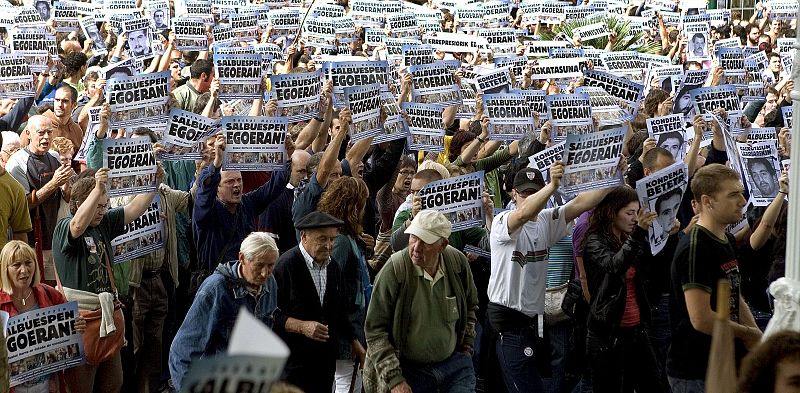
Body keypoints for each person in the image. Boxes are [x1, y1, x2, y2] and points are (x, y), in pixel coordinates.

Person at [488, 163, 610, 392]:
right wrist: (552, 186)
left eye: (535, 192)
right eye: (525, 193)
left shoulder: (546, 220)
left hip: (535, 322)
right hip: (508, 324)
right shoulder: (502, 221)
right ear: (514, 194)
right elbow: (523, 213)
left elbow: (582, 203)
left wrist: (613, 174)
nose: (530, 198)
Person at [52, 167, 158, 393]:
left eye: (105, 205)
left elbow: (134, 209)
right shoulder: (64, 226)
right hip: (80, 321)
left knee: (113, 383)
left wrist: (154, 181)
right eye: (97, 206)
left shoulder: (103, 224)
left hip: (106, 318)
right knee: (82, 387)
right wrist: (97, 188)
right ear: (79, 204)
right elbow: (78, 226)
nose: (102, 211)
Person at [668, 164, 763, 393]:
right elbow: (701, 318)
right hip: (697, 371)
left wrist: (755, 336)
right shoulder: (696, 246)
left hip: (727, 363)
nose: (742, 200)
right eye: (733, 195)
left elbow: (734, 294)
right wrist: (748, 334)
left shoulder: (726, 239)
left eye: (741, 192)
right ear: (708, 201)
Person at [363, 209, 479, 393]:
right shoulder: (395, 270)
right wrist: (395, 380)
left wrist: (467, 345)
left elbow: (471, 305)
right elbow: (375, 330)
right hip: (408, 370)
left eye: (425, 242)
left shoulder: (457, 263)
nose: (416, 247)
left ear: (443, 245)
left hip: (454, 366)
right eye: (413, 238)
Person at [169, 232, 281, 390]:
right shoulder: (215, 289)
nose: (265, 273)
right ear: (242, 258)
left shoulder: (270, 283)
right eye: (259, 265)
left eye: (271, 266)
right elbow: (182, 351)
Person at [582, 186, 667, 393]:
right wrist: (639, 234)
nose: (634, 219)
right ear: (612, 212)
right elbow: (614, 266)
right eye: (629, 213)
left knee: (654, 384)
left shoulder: (630, 238)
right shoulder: (594, 241)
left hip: (636, 329)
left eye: (636, 214)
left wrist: (666, 233)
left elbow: (654, 268)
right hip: (608, 334)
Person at [272, 211, 363, 393]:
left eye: (332, 239)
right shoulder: (285, 266)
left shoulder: (333, 267)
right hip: (292, 366)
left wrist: (354, 342)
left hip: (324, 364)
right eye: (322, 239)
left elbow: (339, 311)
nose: (329, 246)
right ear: (304, 236)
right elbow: (270, 314)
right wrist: (301, 326)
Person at [192, 133, 290, 276]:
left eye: (239, 180)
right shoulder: (206, 211)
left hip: (246, 279)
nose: (237, 185)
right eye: (229, 182)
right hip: (217, 282)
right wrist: (218, 161)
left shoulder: (248, 203)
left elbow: (275, 186)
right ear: (217, 187)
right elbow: (205, 191)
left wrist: (283, 152)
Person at [0, 240, 86, 393]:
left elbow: (70, 333)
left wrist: (77, 326)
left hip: (48, 386)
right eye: (16, 265)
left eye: (28, 263)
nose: (24, 270)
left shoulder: (49, 294)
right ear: (5, 269)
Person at [316, 177, 371, 393]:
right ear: (353, 206)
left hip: (352, 331)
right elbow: (332, 292)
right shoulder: (340, 243)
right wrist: (352, 338)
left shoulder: (349, 239)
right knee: (346, 386)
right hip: (345, 337)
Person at [6, 115, 72, 283]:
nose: (46, 137)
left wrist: (66, 188)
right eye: (41, 132)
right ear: (28, 133)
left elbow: (65, 196)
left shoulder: (55, 157)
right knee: (36, 286)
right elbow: (24, 204)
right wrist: (54, 183)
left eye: (50, 132)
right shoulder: (17, 163)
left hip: (56, 237)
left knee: (56, 287)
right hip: (32, 240)